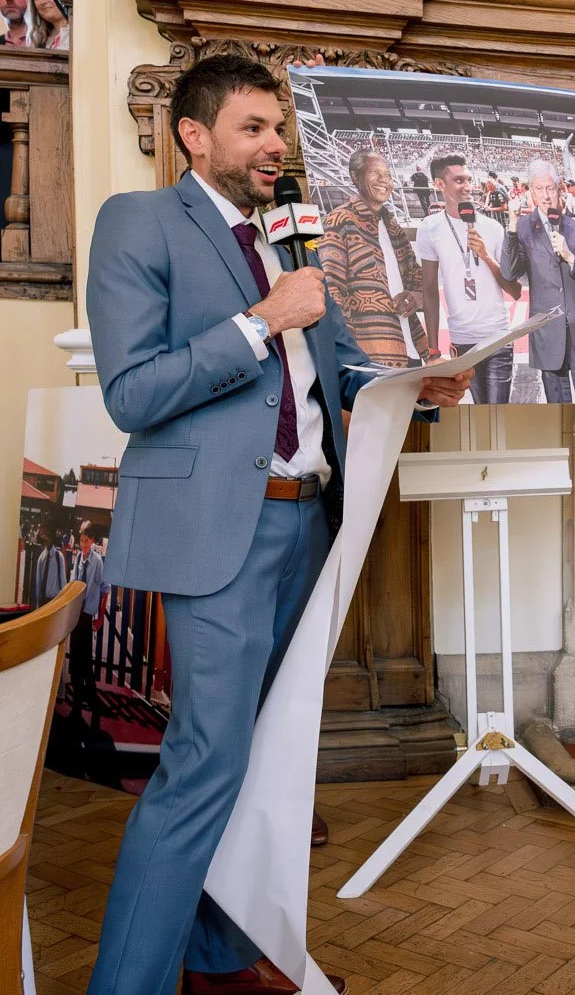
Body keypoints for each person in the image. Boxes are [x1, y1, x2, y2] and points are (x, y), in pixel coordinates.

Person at [84, 55, 471, 995]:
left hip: (306, 527)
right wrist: (261, 321)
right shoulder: (139, 222)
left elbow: (327, 379)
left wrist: (417, 389)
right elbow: (133, 392)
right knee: (205, 765)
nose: (274, 145)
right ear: (195, 135)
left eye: (279, 129)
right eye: (253, 127)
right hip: (220, 531)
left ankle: (215, 954)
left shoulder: (291, 240)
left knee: (258, 762)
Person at [415, 154, 519, 403]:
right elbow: (429, 290)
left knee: (497, 411)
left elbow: (514, 289)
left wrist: (485, 255)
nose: (468, 186)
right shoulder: (430, 228)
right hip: (462, 341)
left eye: (469, 179)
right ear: (440, 184)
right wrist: (432, 348)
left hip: (497, 336)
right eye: (459, 180)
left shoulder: (492, 228)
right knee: (481, 410)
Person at [502, 158, 575, 402]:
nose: (546, 196)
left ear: (560, 190)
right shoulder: (524, 228)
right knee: (559, 411)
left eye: (550, 188)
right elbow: (508, 273)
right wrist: (512, 226)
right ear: (530, 191)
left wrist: (572, 259)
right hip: (548, 335)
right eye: (539, 189)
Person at [321, 149, 433, 368]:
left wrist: (416, 297)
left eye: (388, 175)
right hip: (369, 357)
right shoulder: (340, 221)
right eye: (376, 173)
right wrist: (350, 354)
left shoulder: (392, 226)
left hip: (410, 348)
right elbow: (333, 291)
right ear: (355, 176)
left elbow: (416, 277)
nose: (385, 181)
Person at [65, 521, 110, 729]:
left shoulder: (97, 562)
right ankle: (79, 704)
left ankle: (87, 704)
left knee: (83, 660)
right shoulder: (78, 560)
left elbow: (104, 589)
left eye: (85, 541)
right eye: (81, 540)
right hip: (76, 614)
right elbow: (73, 585)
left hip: (86, 616)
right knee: (76, 659)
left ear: (92, 541)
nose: (82, 544)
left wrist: (100, 616)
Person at [31, 523, 66, 608]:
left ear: (52, 536)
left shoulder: (59, 557)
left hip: (55, 600)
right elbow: (38, 582)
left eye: (47, 535)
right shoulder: (41, 558)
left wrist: (63, 601)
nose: (45, 538)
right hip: (43, 600)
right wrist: (38, 604)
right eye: (42, 535)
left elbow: (63, 581)